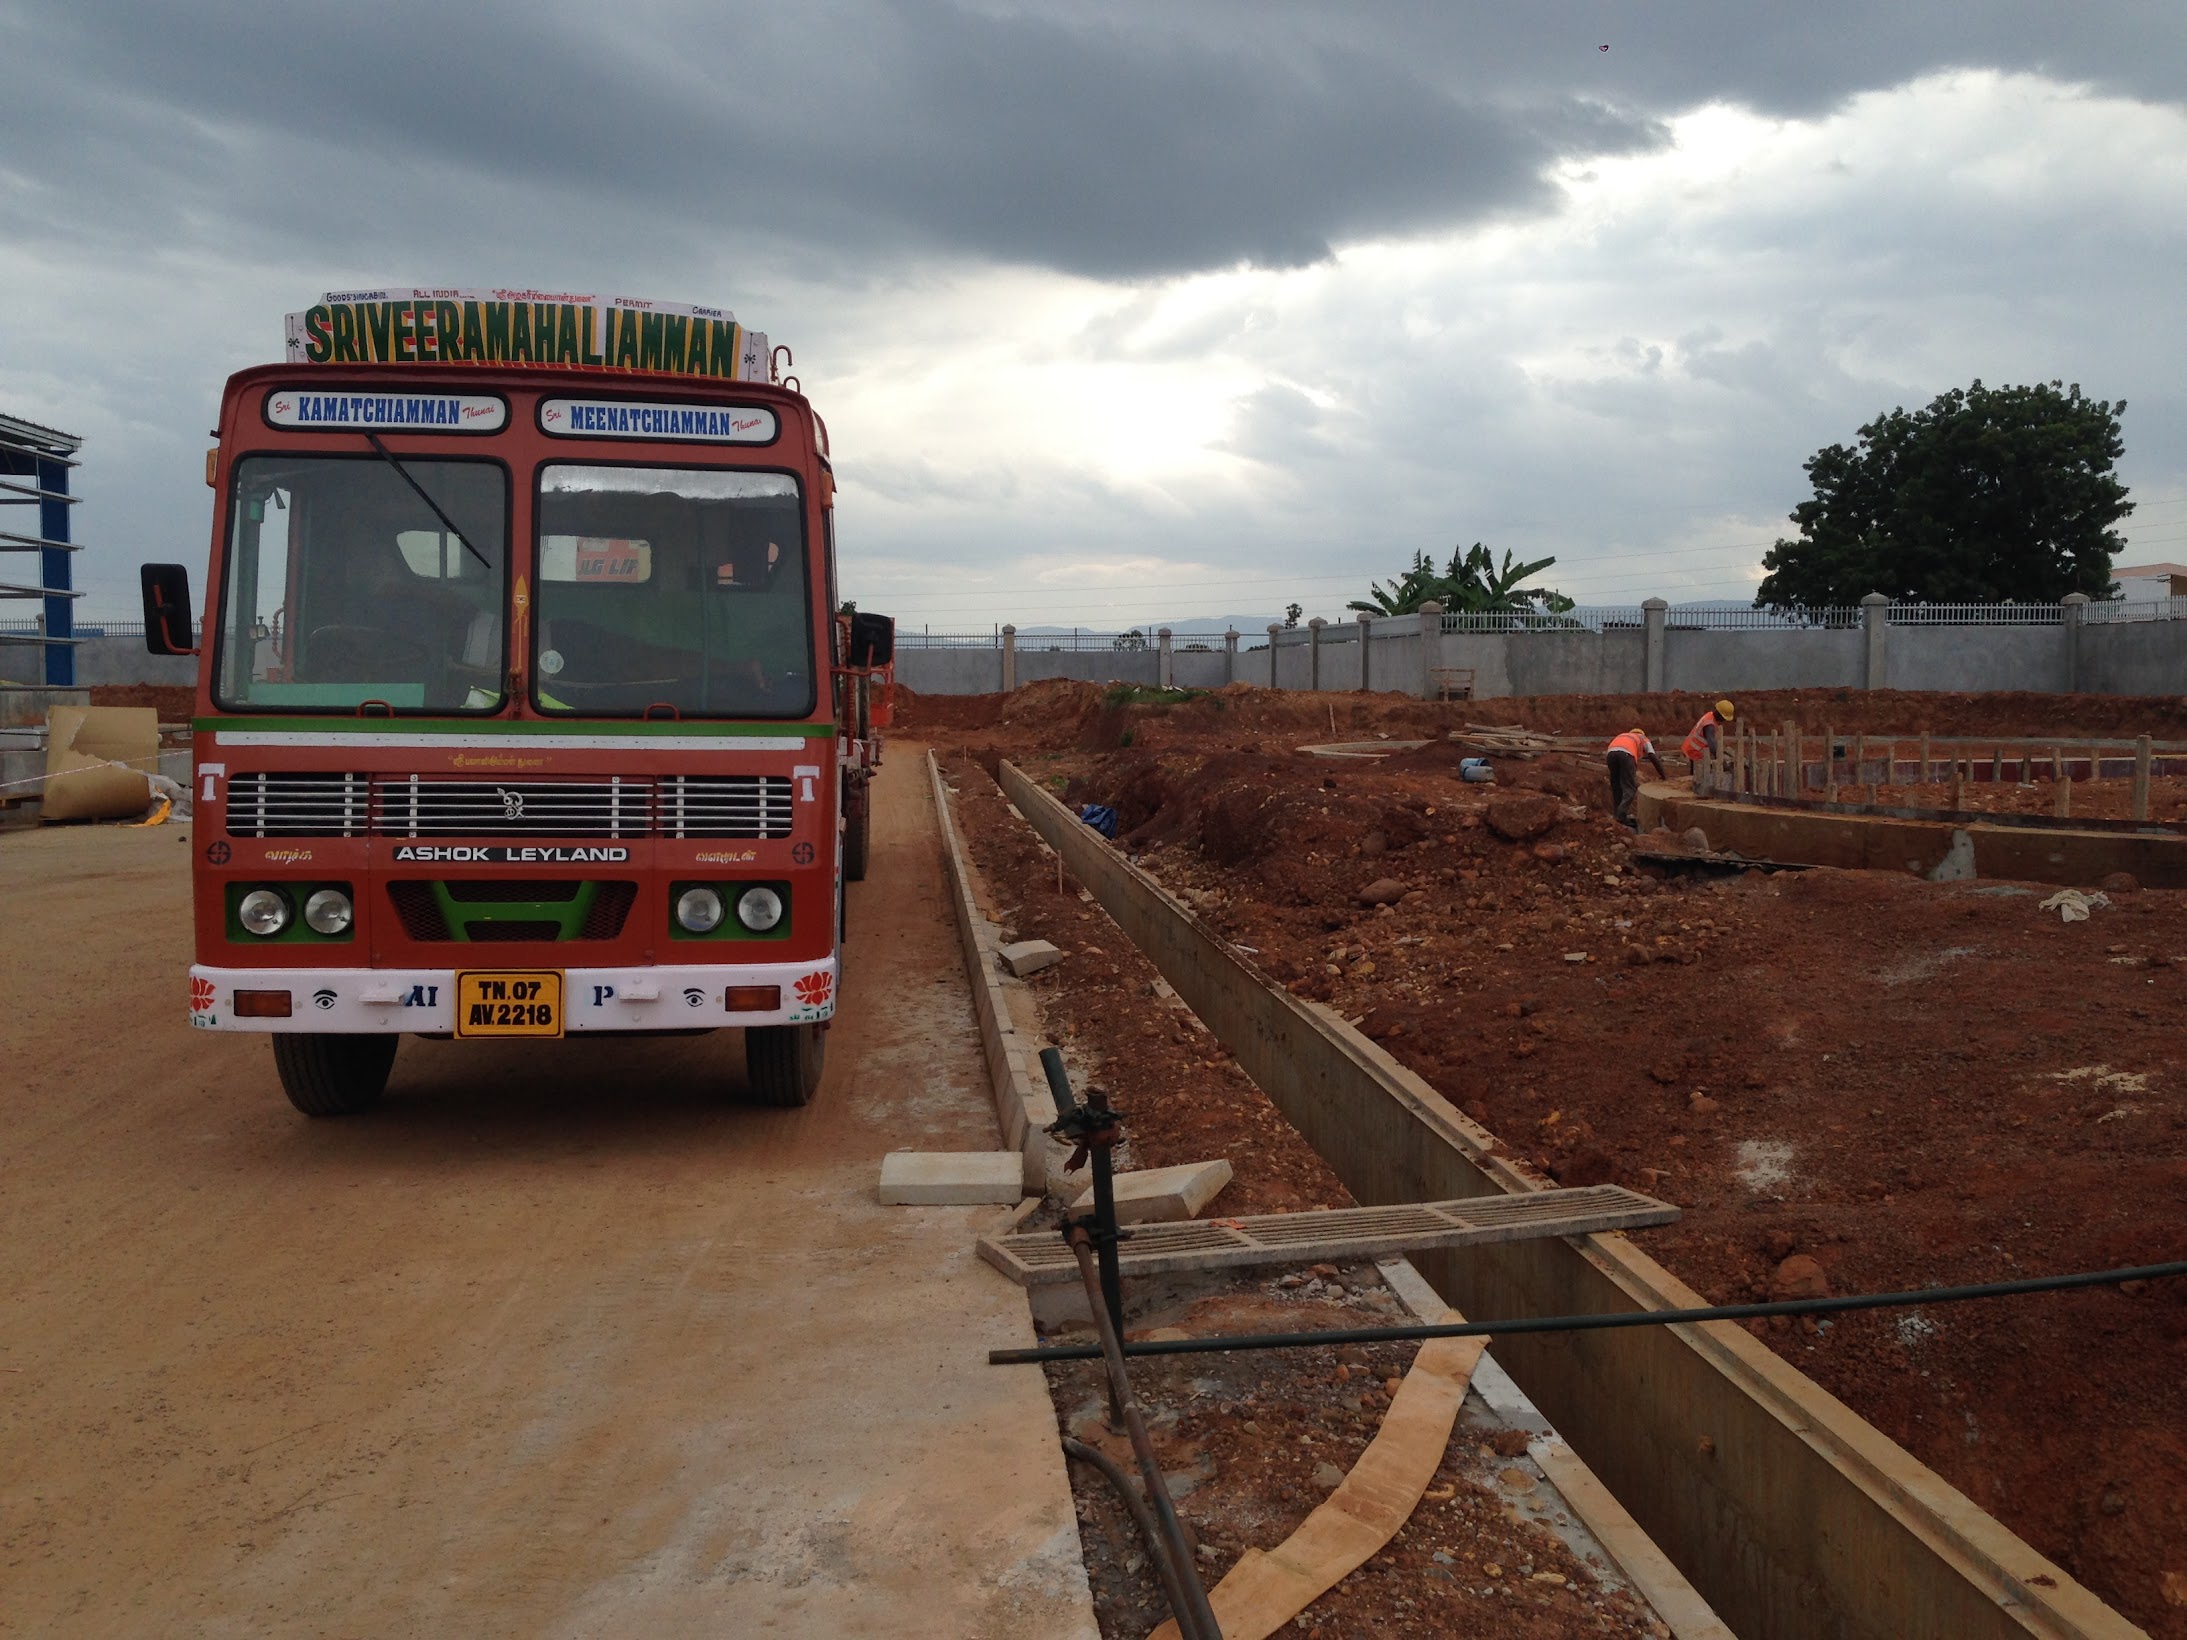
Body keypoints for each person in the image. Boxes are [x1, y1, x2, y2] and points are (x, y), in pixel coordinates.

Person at [1605, 726, 1666, 830]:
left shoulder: (1623, 735)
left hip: (1610, 754)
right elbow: (1653, 757)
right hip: (1626, 755)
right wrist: (1663, 775)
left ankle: (1616, 814)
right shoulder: (1644, 739)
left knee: (1616, 786)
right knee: (1630, 788)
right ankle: (1621, 815)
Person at [1681, 699, 1735, 764]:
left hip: (1691, 749)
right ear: (1720, 714)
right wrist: (1720, 760)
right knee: (1699, 772)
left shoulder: (1709, 716)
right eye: (1724, 718)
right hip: (1694, 752)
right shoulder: (1709, 726)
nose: (1724, 720)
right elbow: (1712, 745)